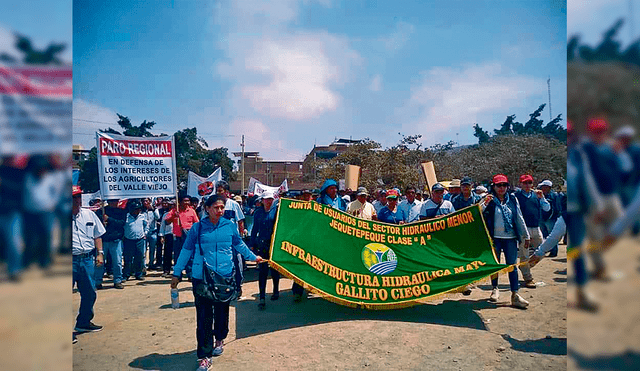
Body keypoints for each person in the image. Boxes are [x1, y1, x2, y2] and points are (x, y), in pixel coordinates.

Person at [170, 195, 264, 369]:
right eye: (215, 207)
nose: (219, 210)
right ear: (207, 208)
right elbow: (186, 250)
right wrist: (176, 273)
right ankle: (204, 356)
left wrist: (253, 257)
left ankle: (219, 338)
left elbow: (239, 245)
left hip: (224, 276)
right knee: (204, 318)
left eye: (222, 207)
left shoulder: (229, 226)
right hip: (202, 278)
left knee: (222, 312)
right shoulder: (197, 229)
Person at [481, 175, 531, 309]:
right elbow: (478, 213)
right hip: (495, 238)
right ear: (494, 187)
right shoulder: (489, 200)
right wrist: (484, 204)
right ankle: (495, 288)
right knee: (495, 264)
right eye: (499, 185)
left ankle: (515, 294)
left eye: (504, 185)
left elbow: (519, 217)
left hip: (510, 238)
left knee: (512, 266)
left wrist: (526, 236)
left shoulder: (512, 199)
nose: (502, 188)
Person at [72, 186, 106, 343]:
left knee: (90, 292)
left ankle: (83, 322)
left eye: (78, 196)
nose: (76, 200)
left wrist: (100, 253)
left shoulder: (89, 214)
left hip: (86, 259)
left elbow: (97, 235)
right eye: (73, 197)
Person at [513, 174, 551, 288]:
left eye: (529, 183)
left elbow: (547, 208)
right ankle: (528, 278)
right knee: (524, 254)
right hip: (523, 229)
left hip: (536, 227)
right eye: (524, 183)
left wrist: (542, 198)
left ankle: (526, 266)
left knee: (543, 249)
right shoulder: (516, 196)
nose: (527, 185)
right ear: (520, 184)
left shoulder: (537, 195)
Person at [249, 190, 281, 309]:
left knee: (274, 269)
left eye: (270, 199)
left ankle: (275, 291)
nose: (268, 202)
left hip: (273, 245)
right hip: (262, 245)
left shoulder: (277, 211)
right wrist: (252, 244)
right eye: (266, 199)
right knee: (262, 271)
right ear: (262, 201)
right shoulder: (258, 213)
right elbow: (254, 229)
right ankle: (262, 297)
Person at [165, 194, 200, 279]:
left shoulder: (191, 211)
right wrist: (174, 216)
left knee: (190, 255)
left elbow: (196, 223)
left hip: (189, 235)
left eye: (188, 201)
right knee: (178, 255)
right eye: (185, 201)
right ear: (180, 202)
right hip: (178, 236)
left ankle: (190, 273)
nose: (187, 202)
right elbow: (166, 222)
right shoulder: (174, 211)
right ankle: (178, 274)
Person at [94, 199, 127, 289]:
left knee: (117, 262)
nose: (114, 203)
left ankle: (117, 281)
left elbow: (121, 223)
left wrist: (109, 219)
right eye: (112, 201)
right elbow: (96, 224)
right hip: (103, 240)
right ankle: (97, 281)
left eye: (116, 201)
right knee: (100, 262)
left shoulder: (121, 212)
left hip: (116, 240)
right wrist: (102, 221)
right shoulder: (100, 211)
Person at [122, 200, 148, 281]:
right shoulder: (126, 217)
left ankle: (138, 274)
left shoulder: (142, 216)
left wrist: (145, 233)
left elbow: (146, 225)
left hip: (140, 240)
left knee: (139, 257)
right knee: (128, 258)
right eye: (136, 209)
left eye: (139, 209)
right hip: (128, 240)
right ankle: (126, 275)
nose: (138, 211)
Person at [538, 180, 561, 257]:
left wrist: (555, 217)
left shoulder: (554, 196)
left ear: (548, 187)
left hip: (551, 219)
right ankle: (547, 250)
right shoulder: (540, 195)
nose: (542, 188)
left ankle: (554, 252)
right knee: (544, 236)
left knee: (553, 236)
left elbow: (557, 208)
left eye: (543, 187)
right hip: (542, 219)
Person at [143, 198, 161, 270]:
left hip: (153, 232)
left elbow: (158, 217)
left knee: (152, 249)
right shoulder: (141, 210)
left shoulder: (154, 209)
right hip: (144, 233)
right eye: (144, 201)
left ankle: (151, 264)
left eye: (146, 201)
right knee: (143, 250)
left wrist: (153, 210)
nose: (145, 202)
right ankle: (143, 266)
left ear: (149, 202)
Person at [159, 200, 175, 278]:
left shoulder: (179, 214)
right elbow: (162, 226)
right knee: (167, 253)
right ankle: (166, 270)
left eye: (173, 205)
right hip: (168, 235)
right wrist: (161, 236)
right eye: (170, 205)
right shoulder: (166, 214)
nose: (171, 206)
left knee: (177, 253)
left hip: (177, 235)